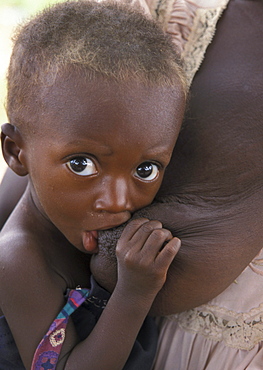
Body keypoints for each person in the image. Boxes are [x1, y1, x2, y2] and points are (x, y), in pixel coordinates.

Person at [1, 0, 263, 368]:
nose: (119, 200)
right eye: (82, 163)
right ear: (16, 152)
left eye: (146, 169)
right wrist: (133, 294)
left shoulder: (73, 218)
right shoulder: (17, 260)